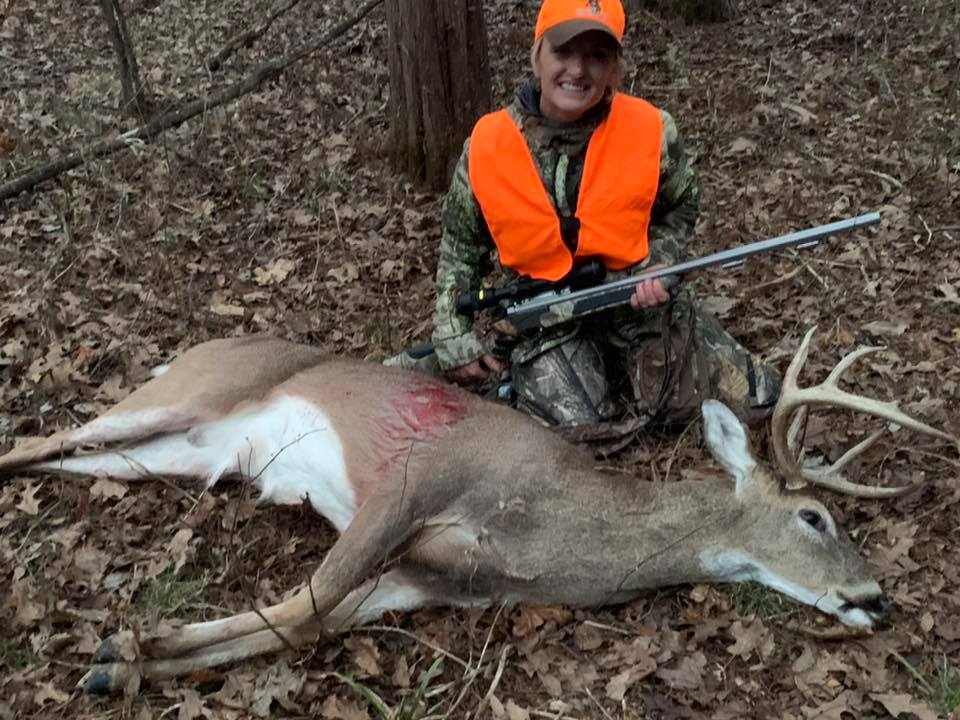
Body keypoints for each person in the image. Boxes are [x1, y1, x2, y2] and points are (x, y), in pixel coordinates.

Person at [428, 0, 781, 427]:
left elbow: (681, 206)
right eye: (563, 52)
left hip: (635, 304)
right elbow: (460, 249)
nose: (577, 71)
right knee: (584, 429)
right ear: (537, 55)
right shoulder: (486, 145)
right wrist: (453, 331)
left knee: (757, 402)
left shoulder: (652, 130)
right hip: (547, 322)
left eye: (596, 56)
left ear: (615, 67)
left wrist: (661, 262)